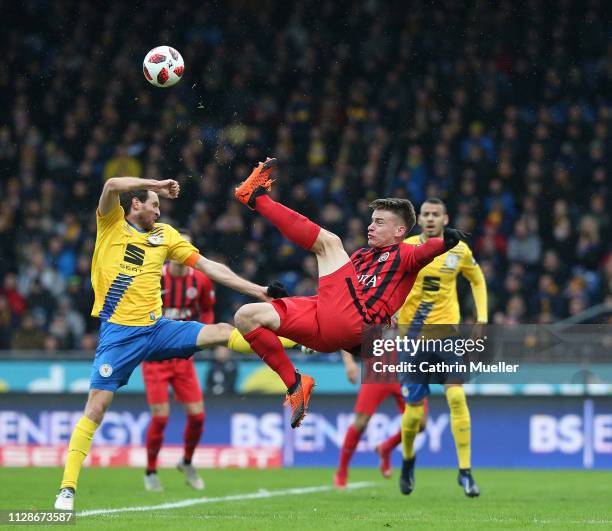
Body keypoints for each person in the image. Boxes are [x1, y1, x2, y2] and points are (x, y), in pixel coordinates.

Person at [54, 176, 288, 511]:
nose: (159, 210)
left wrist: (257, 291)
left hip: (159, 328)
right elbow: (109, 185)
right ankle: (67, 490)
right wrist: (157, 184)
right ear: (135, 203)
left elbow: (208, 267)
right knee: (96, 408)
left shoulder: (165, 235)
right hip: (119, 335)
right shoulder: (111, 223)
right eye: (155, 204)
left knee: (222, 330)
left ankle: (294, 338)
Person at [233, 158, 468, 429]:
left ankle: (255, 198)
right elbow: (338, 295)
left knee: (330, 243)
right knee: (246, 316)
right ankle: (295, 384)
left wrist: (447, 240)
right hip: (331, 326)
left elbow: (427, 250)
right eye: (372, 221)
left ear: (400, 231)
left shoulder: (406, 255)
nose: (370, 227)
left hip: (356, 323)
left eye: (380, 222)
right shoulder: (360, 257)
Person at [396, 198, 487, 497]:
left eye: (436, 214)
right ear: (418, 219)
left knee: (457, 398)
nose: (431, 218)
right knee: (412, 414)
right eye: (426, 214)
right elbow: (389, 282)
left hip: (447, 335)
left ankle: (465, 472)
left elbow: (477, 279)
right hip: (412, 339)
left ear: (445, 218)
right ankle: (408, 461)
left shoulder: (458, 249)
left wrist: (482, 318)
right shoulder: (406, 247)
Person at [141, 230, 215, 492]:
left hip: (183, 357)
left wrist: (202, 334)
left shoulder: (200, 281)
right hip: (154, 357)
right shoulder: (154, 275)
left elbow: (207, 308)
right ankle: (150, 471)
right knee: (160, 419)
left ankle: (186, 462)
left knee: (198, 416)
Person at [334, 350, 428, 488]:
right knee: (360, 422)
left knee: (420, 423)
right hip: (376, 371)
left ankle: (386, 447)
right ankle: (342, 472)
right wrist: (349, 363)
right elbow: (344, 332)